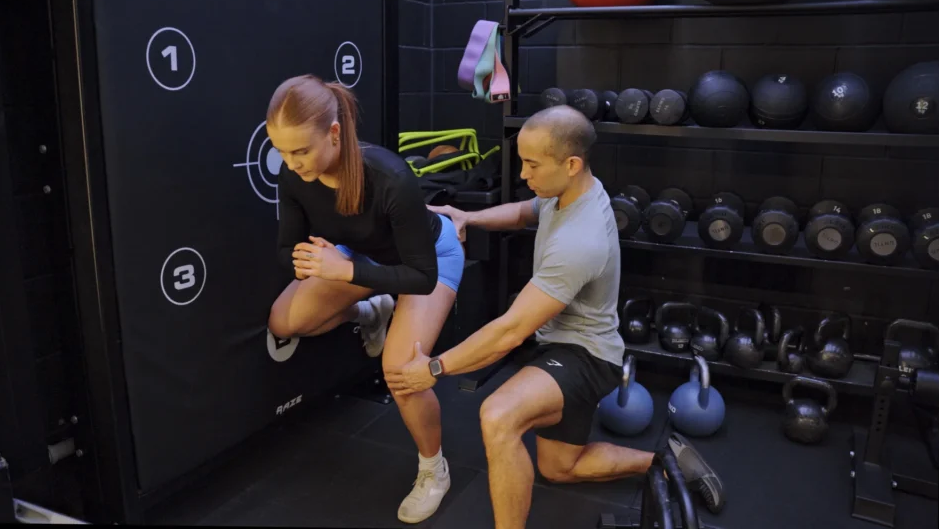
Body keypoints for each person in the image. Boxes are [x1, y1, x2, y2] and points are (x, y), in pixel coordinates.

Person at [384, 105, 725, 529]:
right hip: (561, 345)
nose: (523, 174)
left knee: (499, 416)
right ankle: (666, 461)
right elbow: (526, 211)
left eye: (531, 164)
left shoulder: (580, 241)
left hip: (585, 355)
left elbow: (510, 331)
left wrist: (434, 368)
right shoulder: (571, 190)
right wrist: (469, 216)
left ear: (571, 164)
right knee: (559, 467)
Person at [265, 74, 464, 524]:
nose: (291, 163)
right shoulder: (293, 175)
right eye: (282, 152)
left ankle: (434, 470)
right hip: (362, 258)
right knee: (284, 321)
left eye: (301, 151)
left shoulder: (391, 177)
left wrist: (344, 270)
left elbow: (422, 277)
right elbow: (286, 247)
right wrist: (304, 261)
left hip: (429, 261)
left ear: (334, 133)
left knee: (401, 374)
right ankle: (372, 313)